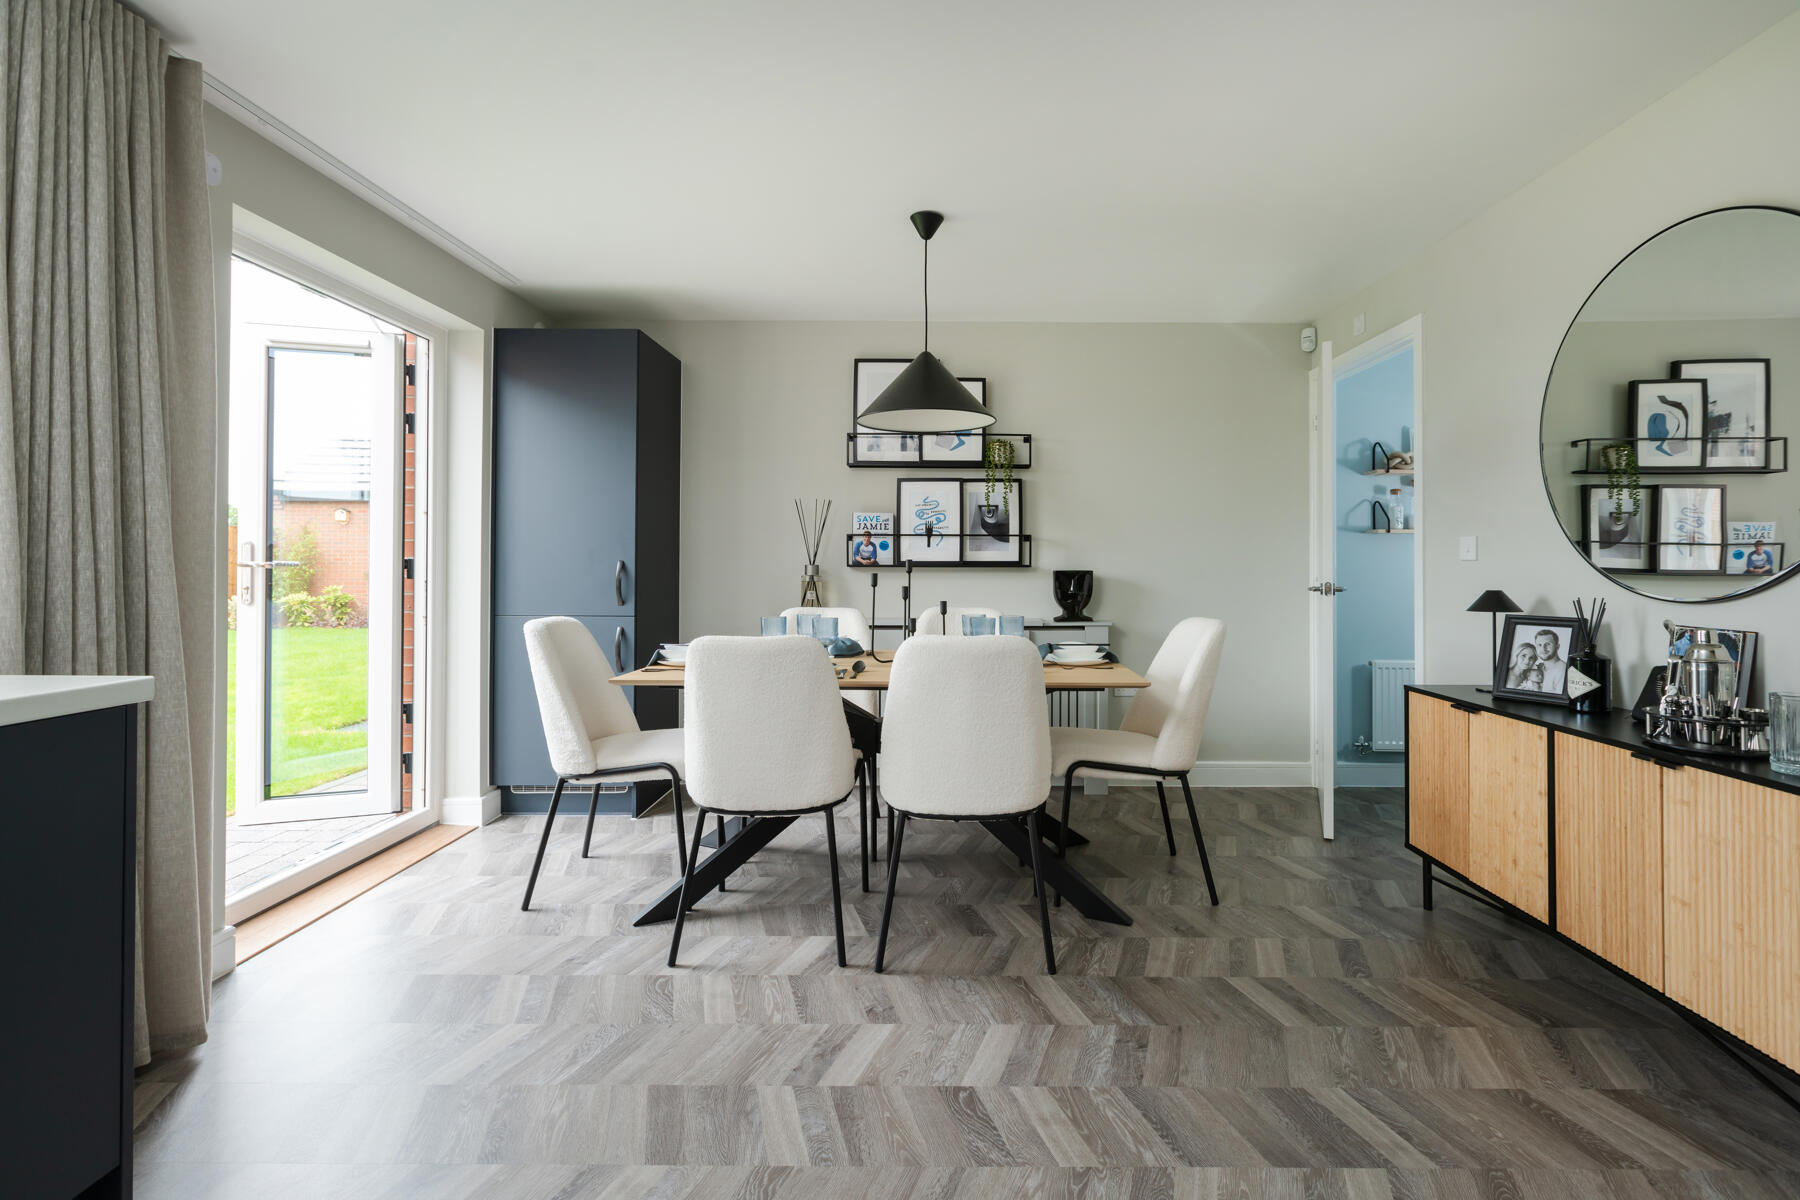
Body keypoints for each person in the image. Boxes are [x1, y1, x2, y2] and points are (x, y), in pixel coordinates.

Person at [1533, 629, 1567, 694]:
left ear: (1557, 646)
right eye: (1539, 645)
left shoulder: (1563, 670)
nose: (1543, 649)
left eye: (1548, 644)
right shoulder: (1539, 668)